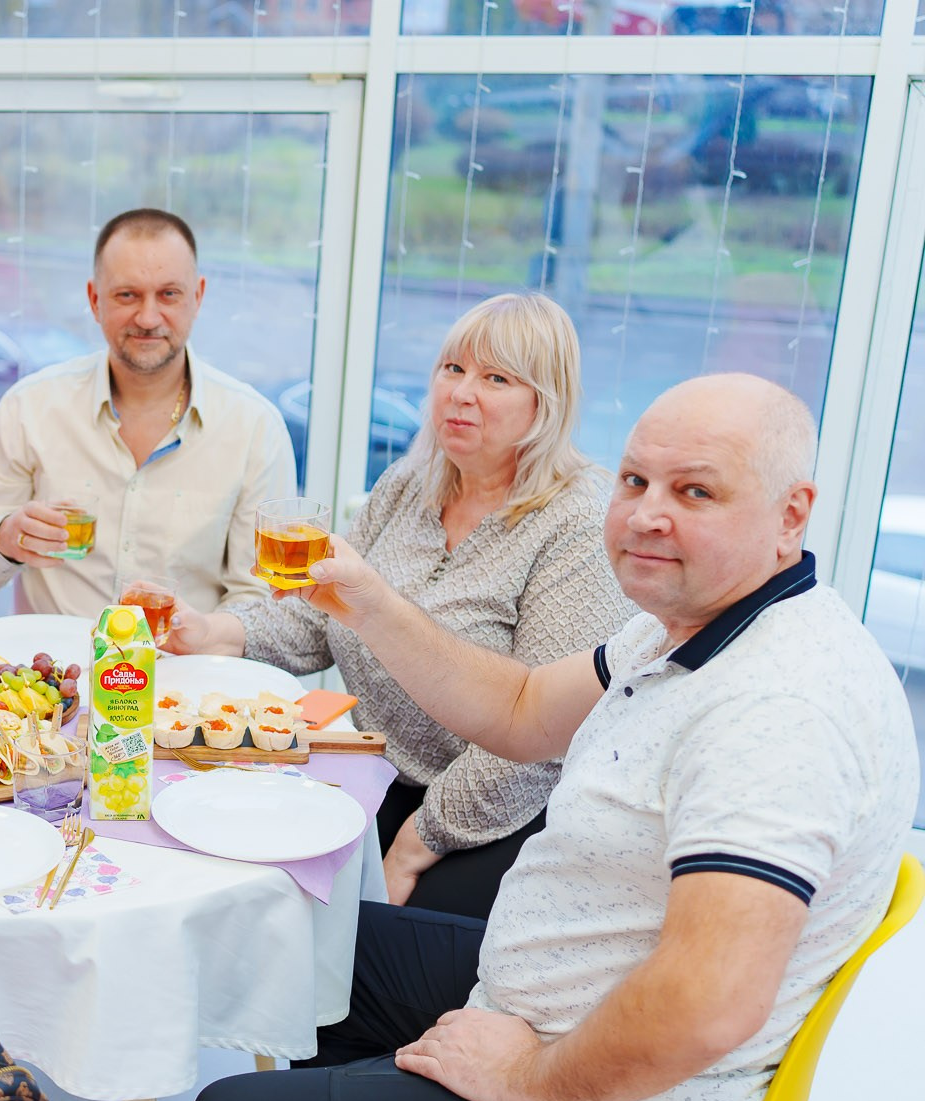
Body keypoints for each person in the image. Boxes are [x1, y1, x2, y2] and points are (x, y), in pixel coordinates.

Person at [183, 374, 916, 1101]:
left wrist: (524, 1075)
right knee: (308, 949)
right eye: (637, 481)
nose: (648, 515)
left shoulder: (776, 711)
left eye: (694, 492)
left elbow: (711, 1001)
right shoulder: (688, 625)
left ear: (791, 515)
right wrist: (362, 598)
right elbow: (525, 711)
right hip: (558, 995)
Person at [144, 292, 633, 918]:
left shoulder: (577, 522)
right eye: (453, 369)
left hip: (497, 814)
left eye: (496, 378)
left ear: (546, 402)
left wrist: (413, 843)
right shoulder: (411, 482)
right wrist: (210, 630)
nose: (461, 393)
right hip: (373, 777)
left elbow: (541, 743)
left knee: (346, 943)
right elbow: (318, 623)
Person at [0, 208, 295, 618]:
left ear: (197, 297)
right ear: (95, 300)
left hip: (183, 675)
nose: (147, 318)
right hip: (52, 676)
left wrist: (201, 634)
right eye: (127, 295)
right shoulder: (31, 407)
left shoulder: (254, 427)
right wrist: (3, 538)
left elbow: (262, 602)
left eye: (168, 294)